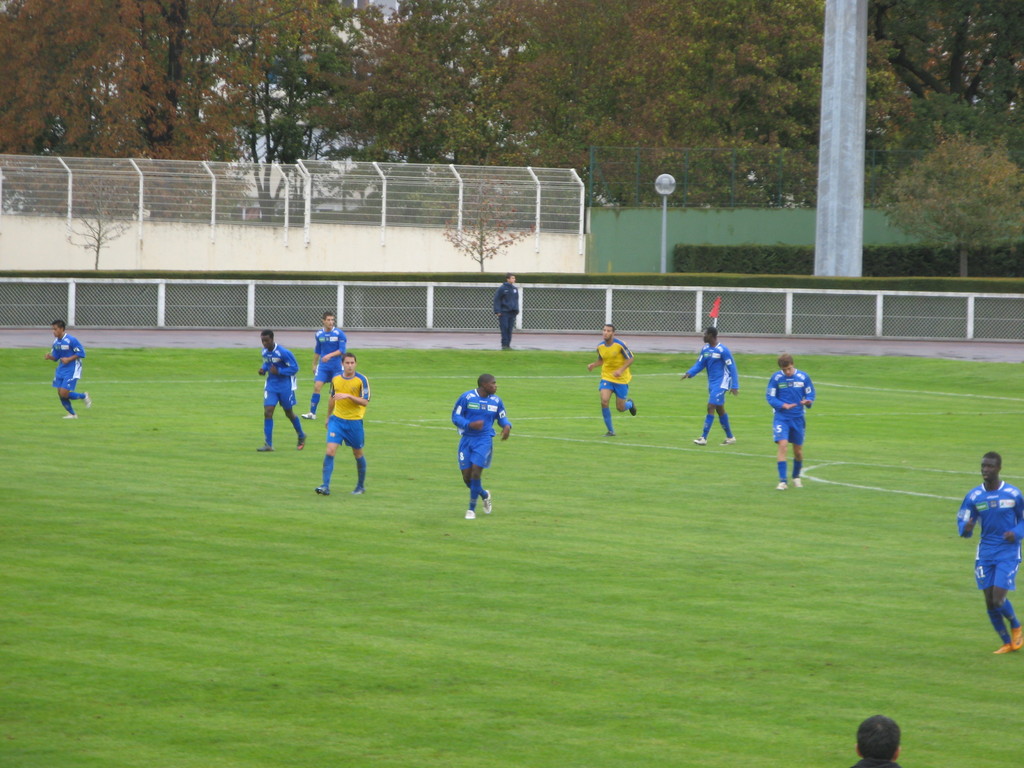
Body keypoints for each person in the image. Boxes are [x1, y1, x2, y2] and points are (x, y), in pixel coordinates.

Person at [958, 451, 1024, 653]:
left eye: (990, 466)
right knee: (989, 601)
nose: (985, 469)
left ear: (999, 468)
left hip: (1008, 552)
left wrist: (1016, 533)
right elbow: (963, 522)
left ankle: (1016, 626)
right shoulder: (974, 496)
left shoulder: (1013, 494)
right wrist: (966, 528)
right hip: (985, 552)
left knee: (998, 599)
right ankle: (1006, 643)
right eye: (983, 466)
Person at [451, 373, 511, 519]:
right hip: (467, 440)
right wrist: (469, 424)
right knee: (467, 478)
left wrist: (507, 426)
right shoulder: (467, 397)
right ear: (484, 385)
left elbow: (502, 417)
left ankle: (471, 510)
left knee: (476, 473)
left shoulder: (496, 401)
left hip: (484, 440)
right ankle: (484, 494)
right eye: (493, 383)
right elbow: (455, 416)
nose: (496, 386)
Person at [315, 352, 370, 496]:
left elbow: (365, 401)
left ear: (355, 364)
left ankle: (360, 486)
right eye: (347, 363)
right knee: (330, 450)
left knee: (357, 453)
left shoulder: (361, 380)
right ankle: (325, 486)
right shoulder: (336, 379)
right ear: (342, 364)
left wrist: (349, 396)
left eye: (352, 363)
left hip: (354, 422)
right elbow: (332, 398)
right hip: (337, 421)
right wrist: (328, 417)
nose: (350, 366)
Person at [680, 326, 739, 445]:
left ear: (711, 335)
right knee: (719, 409)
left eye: (705, 334)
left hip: (722, 383)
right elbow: (700, 364)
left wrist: (735, 385)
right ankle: (730, 437)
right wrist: (690, 373)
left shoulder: (723, 350)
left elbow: (732, 367)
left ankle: (703, 438)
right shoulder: (705, 349)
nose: (703, 336)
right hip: (712, 383)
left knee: (711, 406)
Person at [765, 353, 814, 489]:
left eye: (789, 369)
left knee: (797, 451)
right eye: (784, 369)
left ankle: (796, 476)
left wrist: (808, 401)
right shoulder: (776, 378)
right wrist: (782, 405)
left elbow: (810, 393)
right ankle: (782, 481)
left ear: (793, 365)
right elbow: (770, 397)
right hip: (782, 418)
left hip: (798, 418)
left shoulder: (803, 377)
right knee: (783, 445)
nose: (787, 372)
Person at [256, 330, 306, 452]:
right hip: (271, 386)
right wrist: (263, 370)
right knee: (268, 412)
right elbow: (267, 364)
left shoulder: (283, 353)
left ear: (272, 339)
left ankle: (301, 434)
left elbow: (294, 368)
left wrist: (280, 372)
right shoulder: (264, 352)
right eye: (262, 341)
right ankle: (268, 444)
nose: (264, 343)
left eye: (266, 340)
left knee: (289, 413)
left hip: (285, 386)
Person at [586, 324, 637, 436]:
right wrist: (593, 365)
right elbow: (602, 360)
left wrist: (620, 370)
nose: (605, 332)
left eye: (608, 331)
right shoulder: (600, 347)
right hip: (607, 377)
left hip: (621, 379)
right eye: (604, 330)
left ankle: (630, 404)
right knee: (604, 401)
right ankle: (610, 431)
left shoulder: (620, 345)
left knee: (620, 408)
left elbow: (631, 359)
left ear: (613, 333)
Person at [301, 311, 347, 420]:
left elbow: (342, 350)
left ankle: (337, 414)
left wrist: (329, 356)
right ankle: (312, 413)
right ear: (323, 321)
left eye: (332, 320)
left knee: (336, 392)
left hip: (336, 366)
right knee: (317, 387)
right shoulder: (319, 334)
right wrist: (314, 364)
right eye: (329, 320)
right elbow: (317, 350)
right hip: (323, 367)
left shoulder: (339, 334)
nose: (331, 322)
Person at [45, 319, 91, 419]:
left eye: (55, 329)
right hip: (61, 369)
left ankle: (83, 396)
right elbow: (56, 357)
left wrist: (69, 359)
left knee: (64, 393)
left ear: (62, 329)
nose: (53, 331)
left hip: (72, 368)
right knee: (60, 393)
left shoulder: (71, 340)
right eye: (52, 329)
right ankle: (72, 414)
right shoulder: (56, 342)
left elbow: (81, 353)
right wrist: (50, 357)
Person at [493, 272, 519, 350]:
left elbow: (516, 300)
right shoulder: (502, 288)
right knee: (504, 328)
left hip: (512, 312)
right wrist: (497, 311)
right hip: (504, 312)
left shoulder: (515, 289)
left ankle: (508, 345)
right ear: (508, 279)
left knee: (509, 329)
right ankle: (504, 345)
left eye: (514, 278)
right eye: (512, 278)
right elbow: (496, 299)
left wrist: (516, 309)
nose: (514, 279)